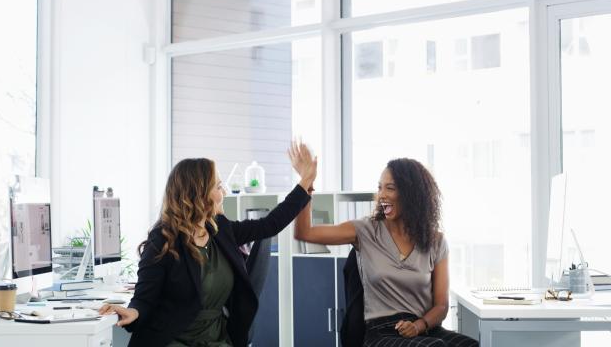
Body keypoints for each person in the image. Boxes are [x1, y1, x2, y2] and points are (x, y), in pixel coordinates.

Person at [99, 141, 317, 347]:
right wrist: (134, 312)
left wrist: (305, 181)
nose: (224, 193)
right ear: (198, 194)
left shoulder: (221, 231)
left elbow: (270, 225)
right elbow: (145, 297)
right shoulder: (163, 240)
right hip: (173, 339)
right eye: (218, 187)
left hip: (216, 338)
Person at [294, 158, 478, 347]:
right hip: (380, 332)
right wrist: (307, 184)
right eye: (380, 187)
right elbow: (305, 232)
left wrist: (418, 325)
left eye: (390, 188)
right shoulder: (365, 231)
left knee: (468, 345)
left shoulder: (436, 241)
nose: (381, 195)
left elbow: (441, 306)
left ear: (412, 194)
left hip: (423, 327)